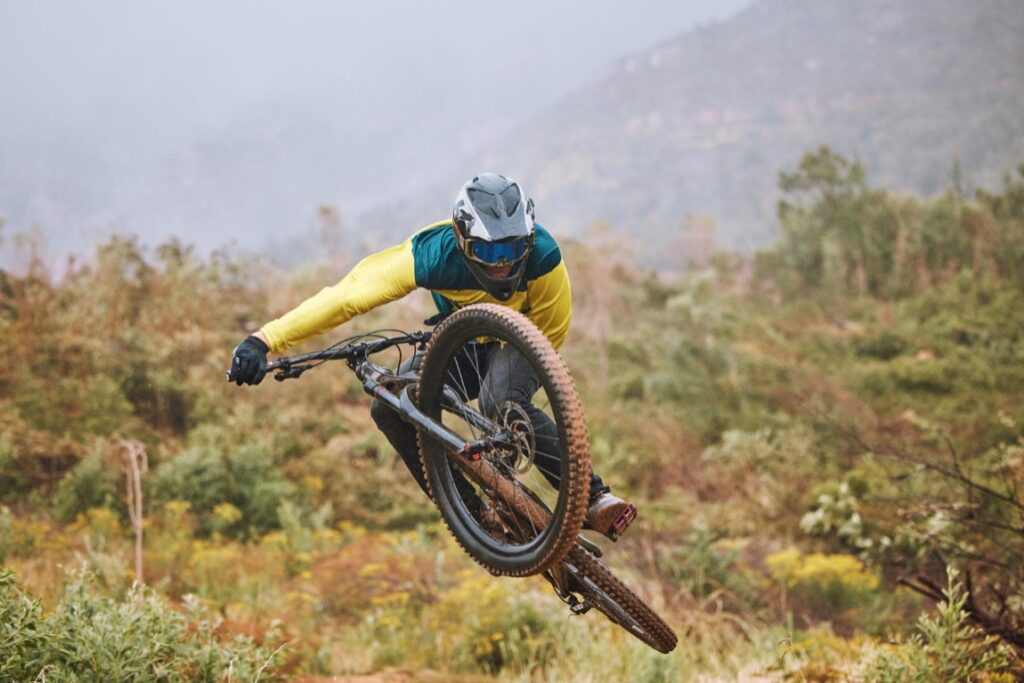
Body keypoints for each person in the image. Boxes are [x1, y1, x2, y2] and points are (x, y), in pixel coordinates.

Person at [228, 173, 636, 539]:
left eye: (513, 249)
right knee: (391, 407)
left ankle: (593, 499)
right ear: (462, 240)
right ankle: (475, 517)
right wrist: (264, 340)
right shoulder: (430, 255)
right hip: (461, 341)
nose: (504, 264)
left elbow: (549, 337)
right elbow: (348, 296)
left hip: (523, 339)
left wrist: (513, 378)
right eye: (489, 254)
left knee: (502, 400)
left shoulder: (543, 255)